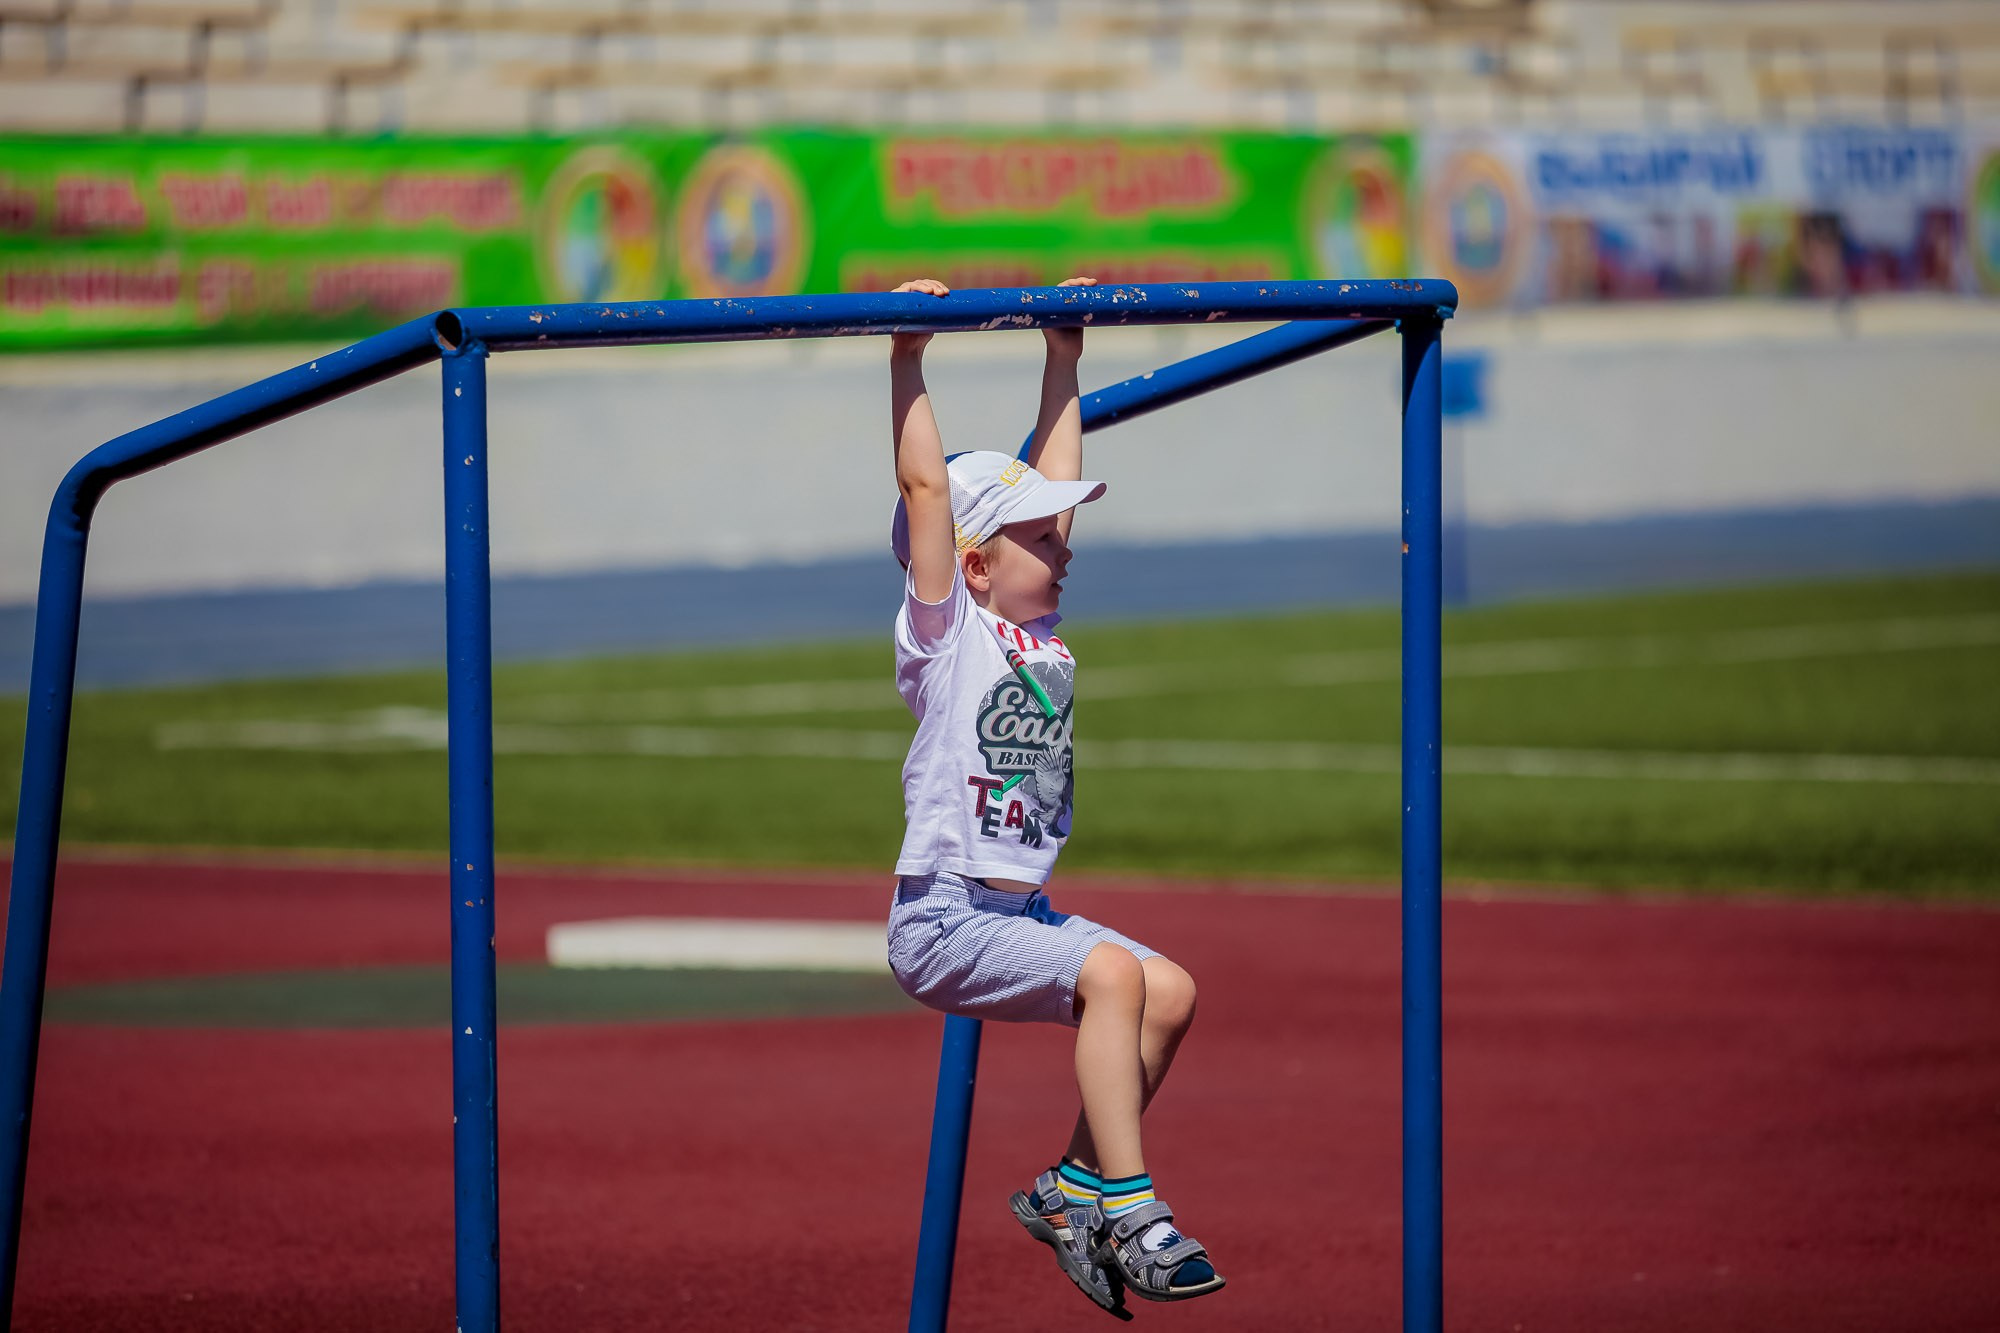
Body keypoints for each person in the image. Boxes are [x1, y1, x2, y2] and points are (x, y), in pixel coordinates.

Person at [883, 276, 1226, 1314]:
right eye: (1039, 538)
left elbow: (1054, 475)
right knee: (1114, 975)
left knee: (1168, 991)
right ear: (975, 567)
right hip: (942, 913)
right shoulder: (949, 637)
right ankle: (1130, 1205)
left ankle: (1069, 1186)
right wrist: (907, 353)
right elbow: (928, 494)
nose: (1063, 544)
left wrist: (1063, 351)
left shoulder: (1033, 634)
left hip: (1012, 910)